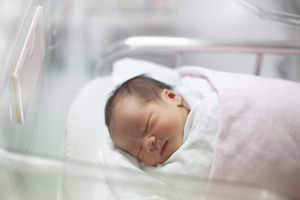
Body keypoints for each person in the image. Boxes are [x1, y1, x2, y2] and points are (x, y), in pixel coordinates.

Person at [105, 75, 190, 166]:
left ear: (171, 97)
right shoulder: (165, 171)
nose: (148, 145)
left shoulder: (203, 104)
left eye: (147, 127)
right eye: (139, 150)